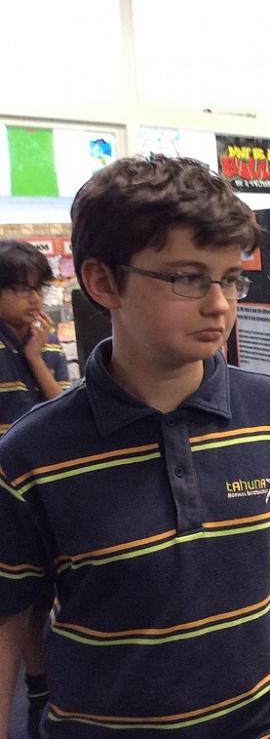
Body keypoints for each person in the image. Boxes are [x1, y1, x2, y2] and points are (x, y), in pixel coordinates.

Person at [0, 156, 270, 739]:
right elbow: (10, 619)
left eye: (230, 278)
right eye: (187, 278)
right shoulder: (32, 453)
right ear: (103, 282)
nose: (220, 304)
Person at [0, 240, 72, 739]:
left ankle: (41, 685)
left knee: (43, 591)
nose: (33, 300)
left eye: (39, 289)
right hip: (6, 491)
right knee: (14, 600)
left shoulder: (44, 343)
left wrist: (36, 358)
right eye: (18, 289)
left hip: (46, 486)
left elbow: (63, 410)